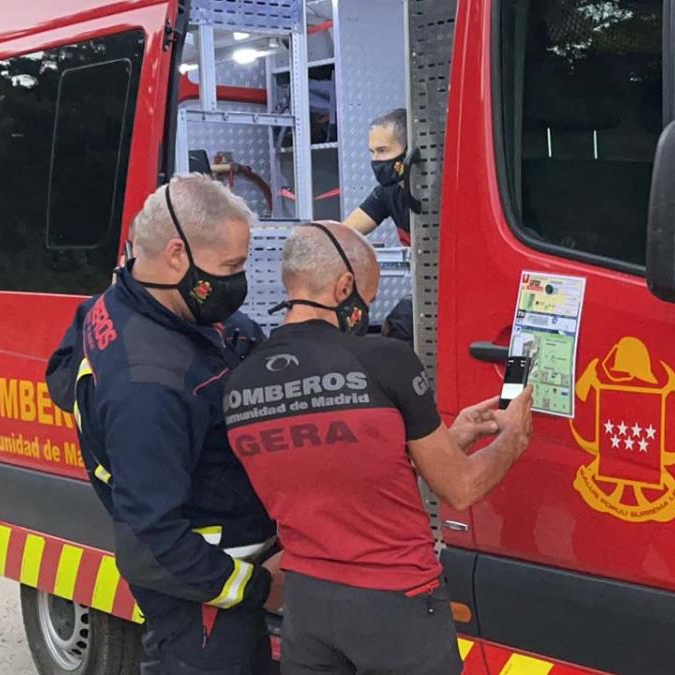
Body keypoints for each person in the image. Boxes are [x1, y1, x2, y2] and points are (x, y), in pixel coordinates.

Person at [223, 222, 534, 674]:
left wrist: (457, 433)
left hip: (307, 605)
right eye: (363, 300)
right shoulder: (382, 360)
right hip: (396, 604)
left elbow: (340, 468)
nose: (362, 313)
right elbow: (461, 488)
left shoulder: (241, 384)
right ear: (344, 286)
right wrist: (513, 439)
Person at [46, 174, 282, 674]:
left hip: (215, 594)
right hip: (206, 606)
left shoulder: (121, 299)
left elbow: (62, 371)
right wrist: (258, 589)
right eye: (231, 268)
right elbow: (152, 544)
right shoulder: (149, 383)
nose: (237, 282)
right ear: (177, 254)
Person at [344, 109, 419, 344]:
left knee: (403, 326)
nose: (376, 160)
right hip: (426, 291)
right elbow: (343, 233)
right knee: (396, 329)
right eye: (372, 152)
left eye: (383, 151)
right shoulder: (388, 194)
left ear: (409, 152)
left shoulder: (444, 188)